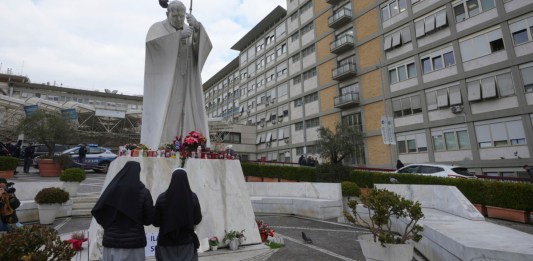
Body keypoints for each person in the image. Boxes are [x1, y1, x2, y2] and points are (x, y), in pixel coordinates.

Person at [141, 0, 212, 150]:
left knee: (187, 111)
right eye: (175, 16)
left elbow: (201, 51)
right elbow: (153, 47)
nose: (179, 19)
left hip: (186, 81)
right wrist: (178, 37)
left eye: (181, 16)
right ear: (167, 14)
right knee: (168, 113)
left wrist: (198, 28)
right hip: (168, 83)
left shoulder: (190, 29)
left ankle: (189, 143)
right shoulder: (157, 28)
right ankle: (163, 144)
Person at [91, 161, 155, 261]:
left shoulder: (112, 190)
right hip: (134, 244)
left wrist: (109, 225)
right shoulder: (143, 192)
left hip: (111, 242)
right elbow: (148, 219)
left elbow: (100, 210)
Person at [154, 168, 202, 261]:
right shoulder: (193, 198)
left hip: (166, 244)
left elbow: (156, 222)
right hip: (187, 243)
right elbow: (197, 219)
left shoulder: (162, 198)